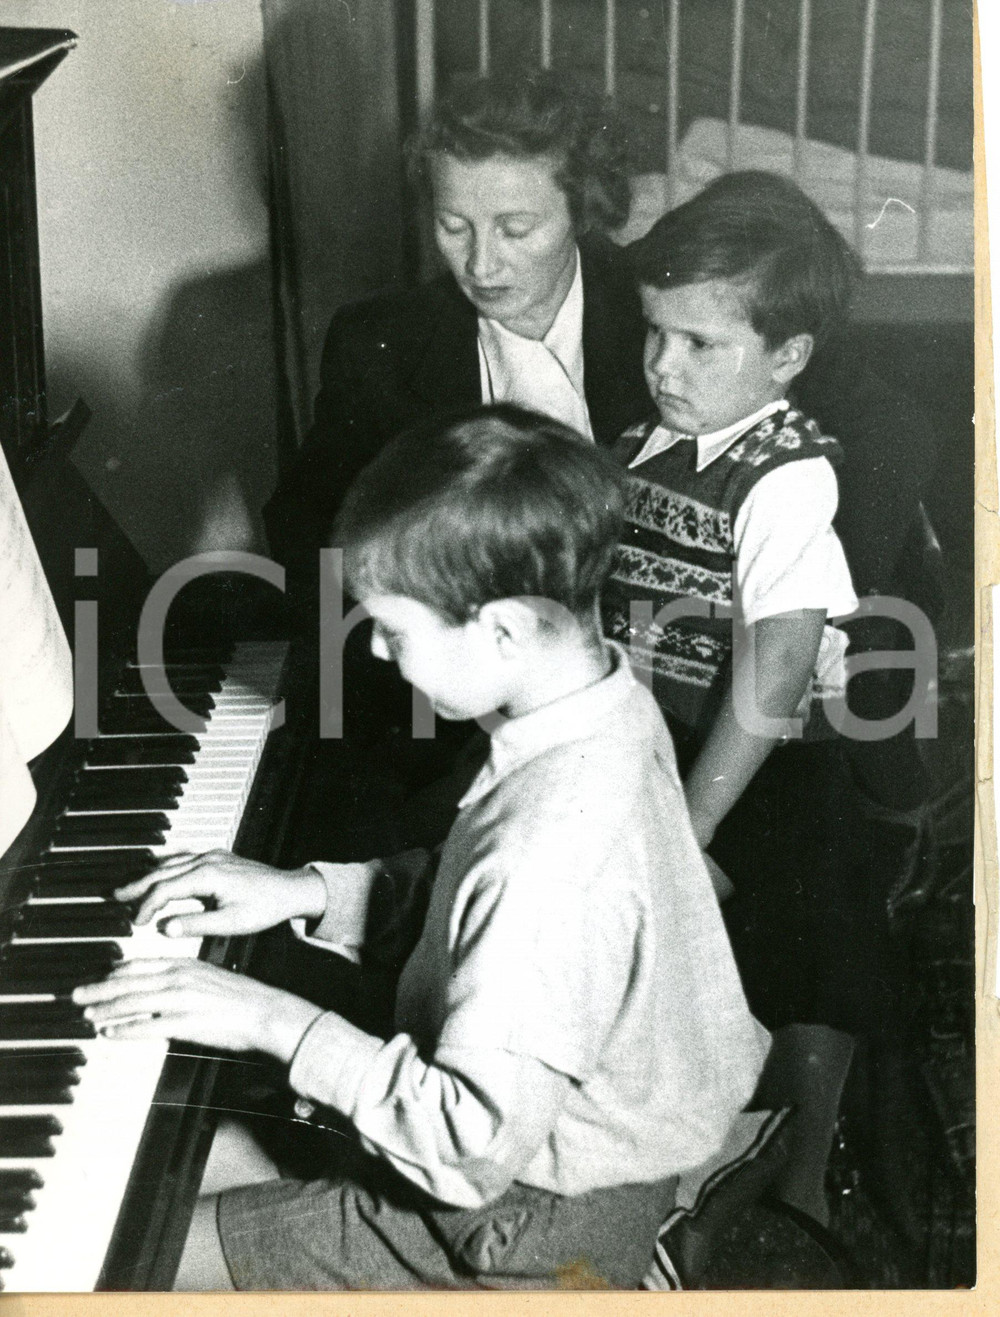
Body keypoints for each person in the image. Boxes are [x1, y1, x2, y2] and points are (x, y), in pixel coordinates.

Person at [75, 406, 769, 1291]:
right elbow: (469, 890)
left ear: (505, 630)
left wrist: (268, 1018)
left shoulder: (550, 856)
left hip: (516, 1221)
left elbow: (464, 1143)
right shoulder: (600, 709)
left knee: (120, 1265)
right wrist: (306, 892)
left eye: (395, 629)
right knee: (142, 1172)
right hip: (558, 1148)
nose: (374, 646)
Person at [605, 170, 877, 1225]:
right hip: (661, 729)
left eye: (699, 345)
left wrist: (696, 818)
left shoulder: (786, 475)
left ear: (787, 357)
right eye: (652, 334)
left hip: (763, 755)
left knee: (802, 934)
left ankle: (804, 1162)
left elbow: (772, 666)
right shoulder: (645, 444)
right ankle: (686, 1138)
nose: (663, 366)